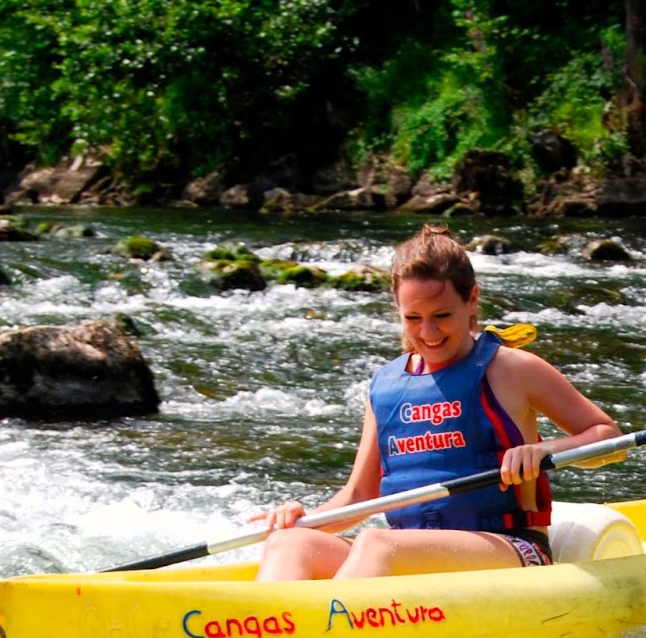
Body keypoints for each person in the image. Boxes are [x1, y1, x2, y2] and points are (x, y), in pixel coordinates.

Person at [252, 223, 621, 580]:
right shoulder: (386, 384)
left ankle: (325, 636)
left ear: (472, 299)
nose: (427, 333)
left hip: (512, 550)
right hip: (411, 552)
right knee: (291, 544)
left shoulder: (512, 368)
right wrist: (301, 519)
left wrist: (546, 450)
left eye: (442, 315)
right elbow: (360, 494)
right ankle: (269, 635)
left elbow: (609, 439)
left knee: (379, 544)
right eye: (413, 318)